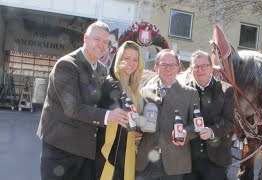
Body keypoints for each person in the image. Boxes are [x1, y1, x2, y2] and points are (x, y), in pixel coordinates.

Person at [37, 21, 128, 180]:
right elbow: (72, 108)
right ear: (85, 38)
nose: (101, 45)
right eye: (97, 39)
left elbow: (104, 99)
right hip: (61, 150)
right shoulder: (67, 65)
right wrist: (108, 116)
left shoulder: (101, 69)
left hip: (86, 150)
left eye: (105, 42)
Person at [136, 49, 200, 180]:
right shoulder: (145, 91)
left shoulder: (190, 93)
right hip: (146, 161)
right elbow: (140, 120)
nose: (168, 69)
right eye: (163, 65)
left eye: (172, 65)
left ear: (178, 68)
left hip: (175, 163)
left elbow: (196, 124)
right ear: (156, 67)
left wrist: (185, 133)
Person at [184, 50, 235, 180]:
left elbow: (229, 121)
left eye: (204, 66)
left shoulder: (226, 90)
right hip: (189, 160)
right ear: (191, 69)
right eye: (196, 67)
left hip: (216, 160)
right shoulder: (184, 90)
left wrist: (212, 131)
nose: (199, 70)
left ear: (211, 68)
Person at [97, 41, 144, 180]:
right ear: (119, 60)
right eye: (127, 58)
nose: (131, 63)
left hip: (128, 147)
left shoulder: (135, 90)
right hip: (113, 149)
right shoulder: (111, 84)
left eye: (135, 59)